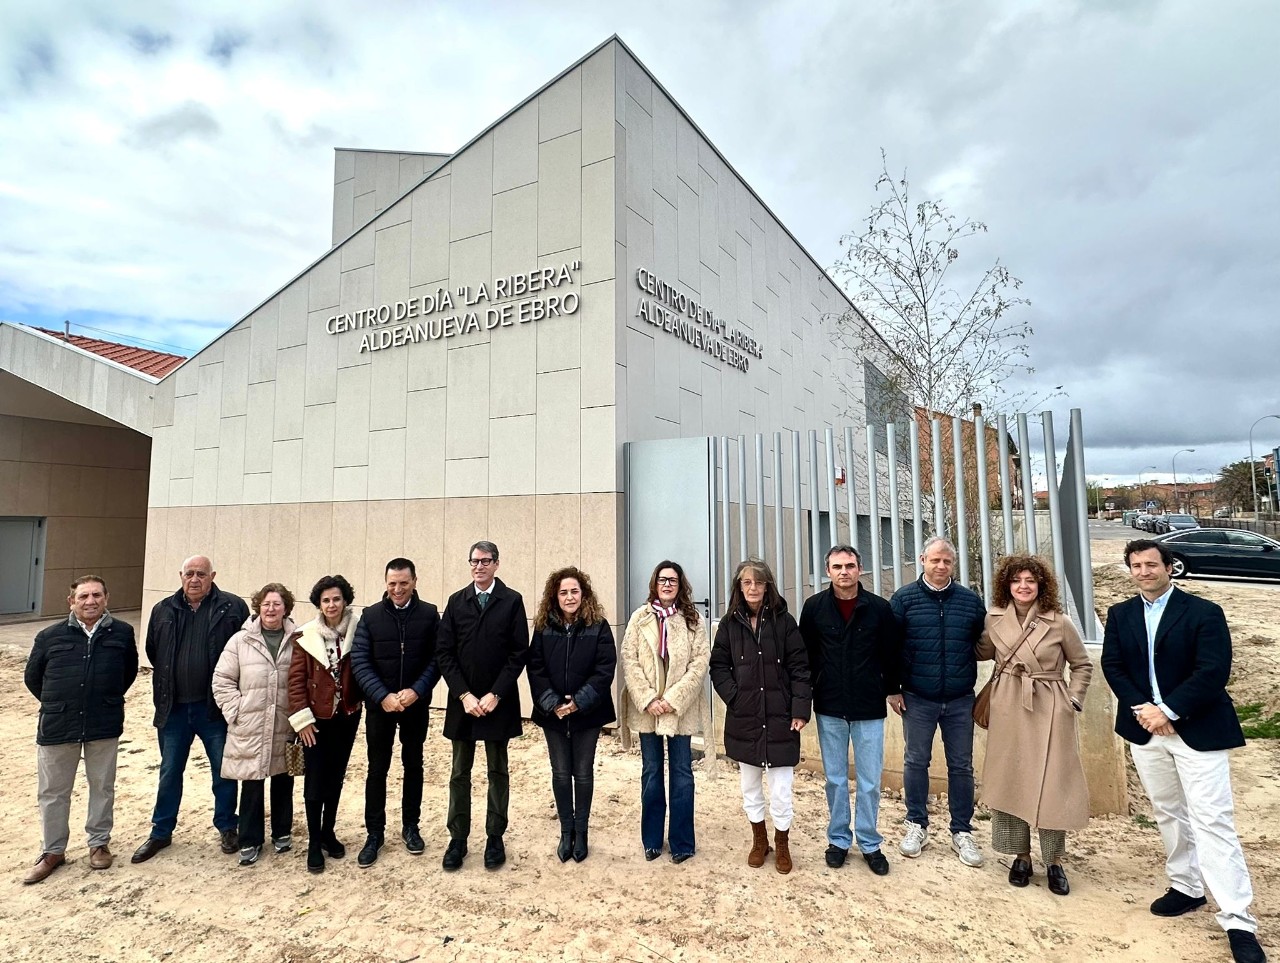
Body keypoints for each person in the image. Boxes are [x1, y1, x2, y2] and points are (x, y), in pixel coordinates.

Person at [1101, 539, 1266, 963]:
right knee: (1168, 810)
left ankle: (1237, 919)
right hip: (1146, 730)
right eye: (1136, 565)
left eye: (1151, 564)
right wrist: (1146, 711)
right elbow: (1113, 666)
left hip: (1197, 729)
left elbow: (1213, 670)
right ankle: (1186, 886)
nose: (1143, 571)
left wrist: (1169, 710)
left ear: (1169, 567)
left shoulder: (1203, 613)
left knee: (1212, 819)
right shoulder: (1120, 615)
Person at [977, 554, 1092, 896]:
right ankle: (1021, 856)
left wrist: (1071, 700)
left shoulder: (1059, 622)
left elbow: (1082, 665)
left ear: (1041, 585)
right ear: (1006, 585)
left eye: (1030, 581)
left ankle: (1054, 860)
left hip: (1049, 706)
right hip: (1008, 706)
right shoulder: (994, 618)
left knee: (1052, 783)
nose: (1023, 587)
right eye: (1016, 581)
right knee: (1011, 780)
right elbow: (982, 651)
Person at [133, 555, 249, 863]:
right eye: (189, 574)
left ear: (213, 575)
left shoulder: (232, 607)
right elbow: (154, 652)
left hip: (214, 710)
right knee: (170, 770)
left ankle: (227, 826)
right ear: (180, 575)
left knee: (222, 771)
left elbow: (245, 654)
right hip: (173, 710)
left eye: (201, 573)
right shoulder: (162, 610)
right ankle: (161, 832)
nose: (194, 579)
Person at [23, 576, 138, 883]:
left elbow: (127, 673)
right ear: (71, 601)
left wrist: (104, 699)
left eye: (97, 595)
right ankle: (53, 851)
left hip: (103, 722)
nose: (91, 601)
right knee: (53, 792)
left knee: (102, 787)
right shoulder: (49, 636)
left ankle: (99, 844)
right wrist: (62, 702)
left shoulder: (123, 633)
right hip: (58, 724)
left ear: (106, 597)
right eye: (83, 596)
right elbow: (34, 678)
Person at [799, 545, 900, 876]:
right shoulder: (814, 609)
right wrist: (806, 696)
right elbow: (806, 658)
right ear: (828, 571)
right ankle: (839, 840)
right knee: (836, 779)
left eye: (851, 566)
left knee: (870, 781)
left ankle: (870, 843)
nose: (844, 571)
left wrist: (894, 691)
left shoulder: (880, 610)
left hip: (869, 707)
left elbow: (891, 654)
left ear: (860, 569)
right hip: (829, 706)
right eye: (837, 566)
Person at [888, 536, 987, 868]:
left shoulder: (971, 602)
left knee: (962, 766)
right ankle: (916, 824)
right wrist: (893, 689)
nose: (941, 566)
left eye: (946, 561)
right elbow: (889, 649)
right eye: (935, 560)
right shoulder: (903, 600)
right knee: (916, 761)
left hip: (960, 699)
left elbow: (983, 643)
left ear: (952, 564)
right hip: (917, 698)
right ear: (922, 560)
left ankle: (962, 831)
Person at [710, 558, 811, 874]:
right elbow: (718, 667)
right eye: (747, 583)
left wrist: (799, 709)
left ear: (768, 585)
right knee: (750, 786)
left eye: (759, 582)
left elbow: (800, 668)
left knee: (781, 790)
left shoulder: (785, 621)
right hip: (745, 717)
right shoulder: (729, 624)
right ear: (739, 588)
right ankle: (759, 841)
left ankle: (782, 843)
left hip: (781, 717)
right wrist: (735, 698)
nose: (753, 588)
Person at [436, 540, 529, 871]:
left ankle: (494, 837)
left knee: (497, 771)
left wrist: (495, 694)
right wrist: (464, 695)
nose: (479, 566)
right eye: (474, 561)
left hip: (496, 703)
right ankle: (458, 839)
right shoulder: (456, 602)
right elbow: (444, 653)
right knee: (459, 772)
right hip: (463, 703)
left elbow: (519, 653)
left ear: (497, 564)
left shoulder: (512, 601)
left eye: (486, 561)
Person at [349, 558, 440, 868]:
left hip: (415, 704)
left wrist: (417, 691)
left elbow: (437, 658)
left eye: (403, 583)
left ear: (414, 581)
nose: (398, 589)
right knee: (377, 769)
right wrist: (381, 695)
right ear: (385, 583)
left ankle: (411, 827)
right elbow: (360, 660)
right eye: (392, 583)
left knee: (414, 765)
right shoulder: (370, 616)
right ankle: (374, 834)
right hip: (380, 707)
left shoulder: (429, 615)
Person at [620, 560, 709, 864]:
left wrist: (673, 699)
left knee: (682, 774)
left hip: (679, 711)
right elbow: (628, 659)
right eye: (662, 580)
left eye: (673, 580)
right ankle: (652, 839)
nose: (667, 584)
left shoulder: (692, 620)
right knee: (652, 772)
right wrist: (647, 698)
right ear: (654, 584)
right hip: (648, 710)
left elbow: (699, 663)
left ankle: (682, 841)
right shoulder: (639, 618)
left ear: (681, 584)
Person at [527, 566, 617, 862]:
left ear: (584, 594)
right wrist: (552, 702)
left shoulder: (598, 625)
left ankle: (582, 832)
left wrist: (578, 702)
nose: (569, 597)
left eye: (574, 591)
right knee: (561, 774)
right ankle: (566, 832)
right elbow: (535, 667)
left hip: (587, 713)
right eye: (563, 592)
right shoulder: (543, 627)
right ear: (555, 595)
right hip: (552, 714)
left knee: (583, 773)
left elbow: (605, 669)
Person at [212, 583, 298, 866]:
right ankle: (250, 839)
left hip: (285, 722)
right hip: (251, 723)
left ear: (286, 607)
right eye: (266, 604)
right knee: (252, 781)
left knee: (284, 777)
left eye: (277, 604)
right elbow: (222, 680)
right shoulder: (240, 641)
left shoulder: (297, 639)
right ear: (258, 607)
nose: (271, 609)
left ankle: (282, 832)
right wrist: (237, 711)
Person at [288, 574, 363, 874]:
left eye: (336, 599)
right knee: (315, 778)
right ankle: (313, 840)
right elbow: (295, 683)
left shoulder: (358, 631)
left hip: (347, 716)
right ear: (319, 604)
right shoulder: (304, 636)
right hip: (315, 721)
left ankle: (329, 831)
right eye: (326, 600)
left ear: (345, 601)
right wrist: (301, 720)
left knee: (336, 775)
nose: (332, 605)